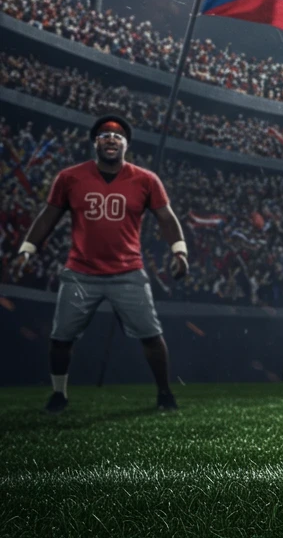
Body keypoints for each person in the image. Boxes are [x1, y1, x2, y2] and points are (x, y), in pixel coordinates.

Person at [10, 115, 189, 413]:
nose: (111, 139)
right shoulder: (70, 177)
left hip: (128, 270)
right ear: (95, 142)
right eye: (104, 134)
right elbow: (48, 216)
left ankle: (165, 392)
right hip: (81, 271)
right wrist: (27, 249)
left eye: (117, 136)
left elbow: (167, 218)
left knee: (151, 335)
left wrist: (179, 252)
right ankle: (59, 393)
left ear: (126, 145)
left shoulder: (146, 179)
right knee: (60, 338)